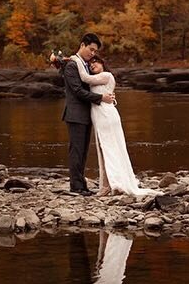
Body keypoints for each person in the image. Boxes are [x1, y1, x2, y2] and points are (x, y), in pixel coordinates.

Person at [69, 53, 160, 197]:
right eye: (91, 64)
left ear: (102, 63)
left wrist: (76, 60)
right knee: (104, 151)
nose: (93, 65)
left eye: (96, 62)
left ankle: (114, 184)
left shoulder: (106, 75)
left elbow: (85, 78)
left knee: (109, 150)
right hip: (100, 118)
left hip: (106, 117)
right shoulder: (98, 79)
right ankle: (106, 185)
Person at [61, 33, 115, 196]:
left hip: (86, 114)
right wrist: (101, 98)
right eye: (91, 49)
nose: (92, 53)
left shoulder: (82, 65)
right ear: (82, 45)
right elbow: (77, 91)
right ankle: (76, 186)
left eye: (95, 51)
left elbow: (92, 85)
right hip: (76, 114)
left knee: (83, 151)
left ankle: (81, 184)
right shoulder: (72, 65)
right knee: (76, 150)